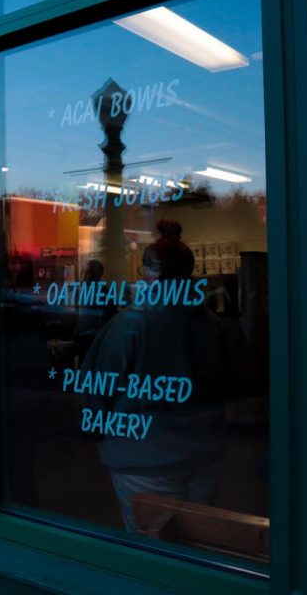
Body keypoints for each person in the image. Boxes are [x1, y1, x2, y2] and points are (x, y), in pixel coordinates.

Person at [81, 219, 232, 532]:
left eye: (144, 270)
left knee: (152, 553)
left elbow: (98, 388)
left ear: (153, 273)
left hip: (143, 457)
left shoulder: (131, 324)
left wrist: (98, 431)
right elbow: (233, 381)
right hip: (205, 451)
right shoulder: (211, 322)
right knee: (199, 545)